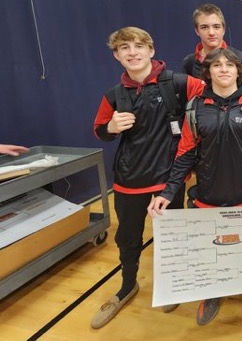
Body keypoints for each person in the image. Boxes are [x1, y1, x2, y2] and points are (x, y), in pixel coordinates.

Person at [147, 48, 242, 325]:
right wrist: (168, 191)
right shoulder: (195, 108)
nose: (223, 69)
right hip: (209, 196)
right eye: (217, 65)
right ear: (208, 72)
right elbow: (185, 153)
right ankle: (212, 291)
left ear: (239, 71)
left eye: (229, 65)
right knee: (214, 251)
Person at [92, 27, 205, 329]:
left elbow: (219, 89)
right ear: (117, 56)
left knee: (172, 238)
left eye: (139, 45)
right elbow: (99, 130)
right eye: (124, 48)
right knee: (128, 239)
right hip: (127, 181)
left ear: (151, 50)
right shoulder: (114, 95)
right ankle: (128, 286)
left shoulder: (179, 83)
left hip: (168, 181)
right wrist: (112, 128)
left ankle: (173, 285)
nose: (133, 52)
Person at [182, 3, 242, 83]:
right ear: (197, 31)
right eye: (204, 27)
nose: (211, 32)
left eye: (216, 27)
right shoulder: (189, 63)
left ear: (224, 29)